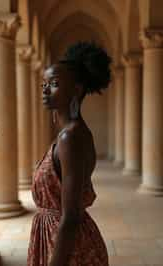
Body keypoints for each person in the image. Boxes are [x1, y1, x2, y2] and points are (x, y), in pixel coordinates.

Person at [27, 41, 112, 266]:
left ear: (76, 88)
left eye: (54, 83)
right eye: (43, 83)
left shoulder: (70, 138)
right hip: (60, 240)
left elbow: (71, 215)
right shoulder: (72, 133)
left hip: (69, 249)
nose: (45, 89)